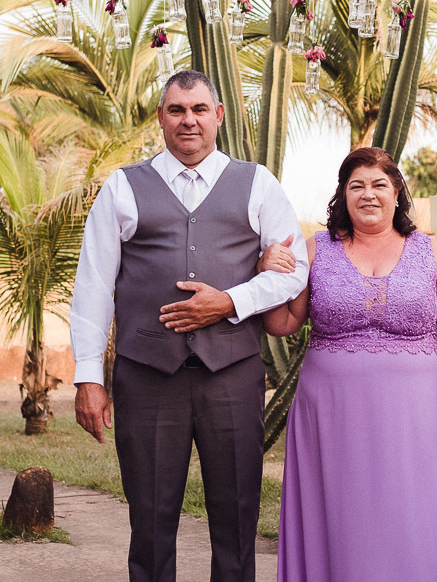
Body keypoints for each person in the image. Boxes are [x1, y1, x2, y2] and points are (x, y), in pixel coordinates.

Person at [68, 69, 308, 582]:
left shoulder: (257, 183)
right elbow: (92, 284)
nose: (189, 121)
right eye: (177, 110)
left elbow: (296, 272)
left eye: (199, 109)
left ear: (218, 116)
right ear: (161, 118)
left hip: (233, 373)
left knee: (237, 517)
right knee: (150, 524)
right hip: (148, 375)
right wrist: (88, 376)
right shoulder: (123, 187)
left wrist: (229, 302)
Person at [259, 146, 437, 582]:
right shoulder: (316, 251)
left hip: (418, 420)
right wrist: (267, 273)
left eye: (378, 185)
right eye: (357, 186)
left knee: (420, 515)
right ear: (343, 195)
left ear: (397, 193)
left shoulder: (430, 254)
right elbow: (282, 323)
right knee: (346, 521)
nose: (368, 195)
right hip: (332, 419)